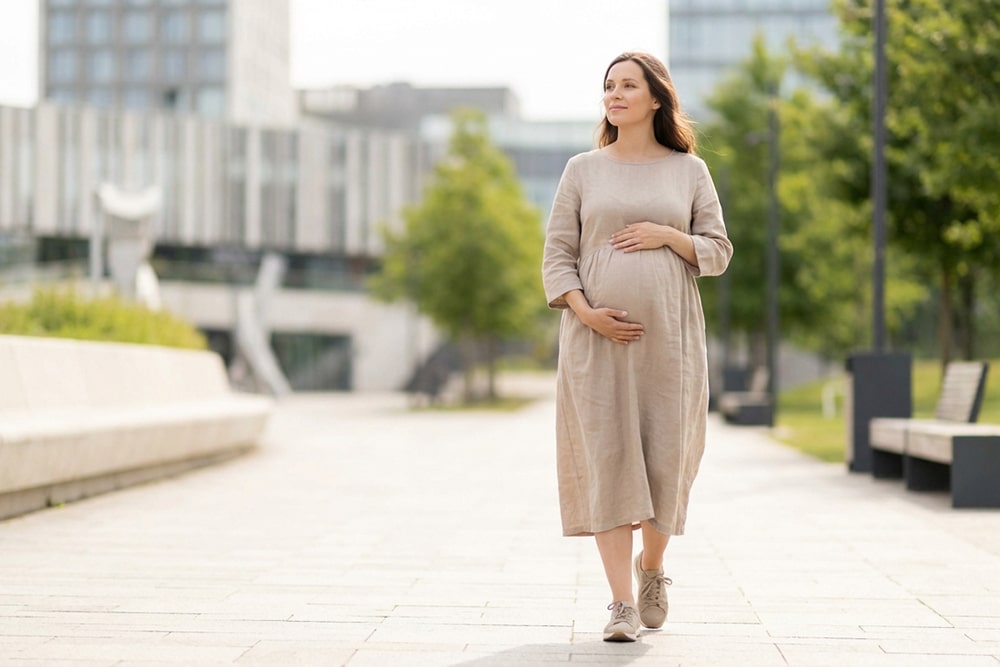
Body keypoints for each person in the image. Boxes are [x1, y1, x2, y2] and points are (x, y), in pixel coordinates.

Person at [541, 51, 733, 642]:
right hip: (594, 344)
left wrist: (668, 235)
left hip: (670, 346)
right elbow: (557, 257)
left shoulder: (689, 172)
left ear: (656, 98)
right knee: (608, 461)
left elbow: (718, 252)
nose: (615, 95)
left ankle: (651, 569)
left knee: (663, 457)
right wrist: (587, 314)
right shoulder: (582, 170)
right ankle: (621, 604)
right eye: (609, 86)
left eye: (628, 85)